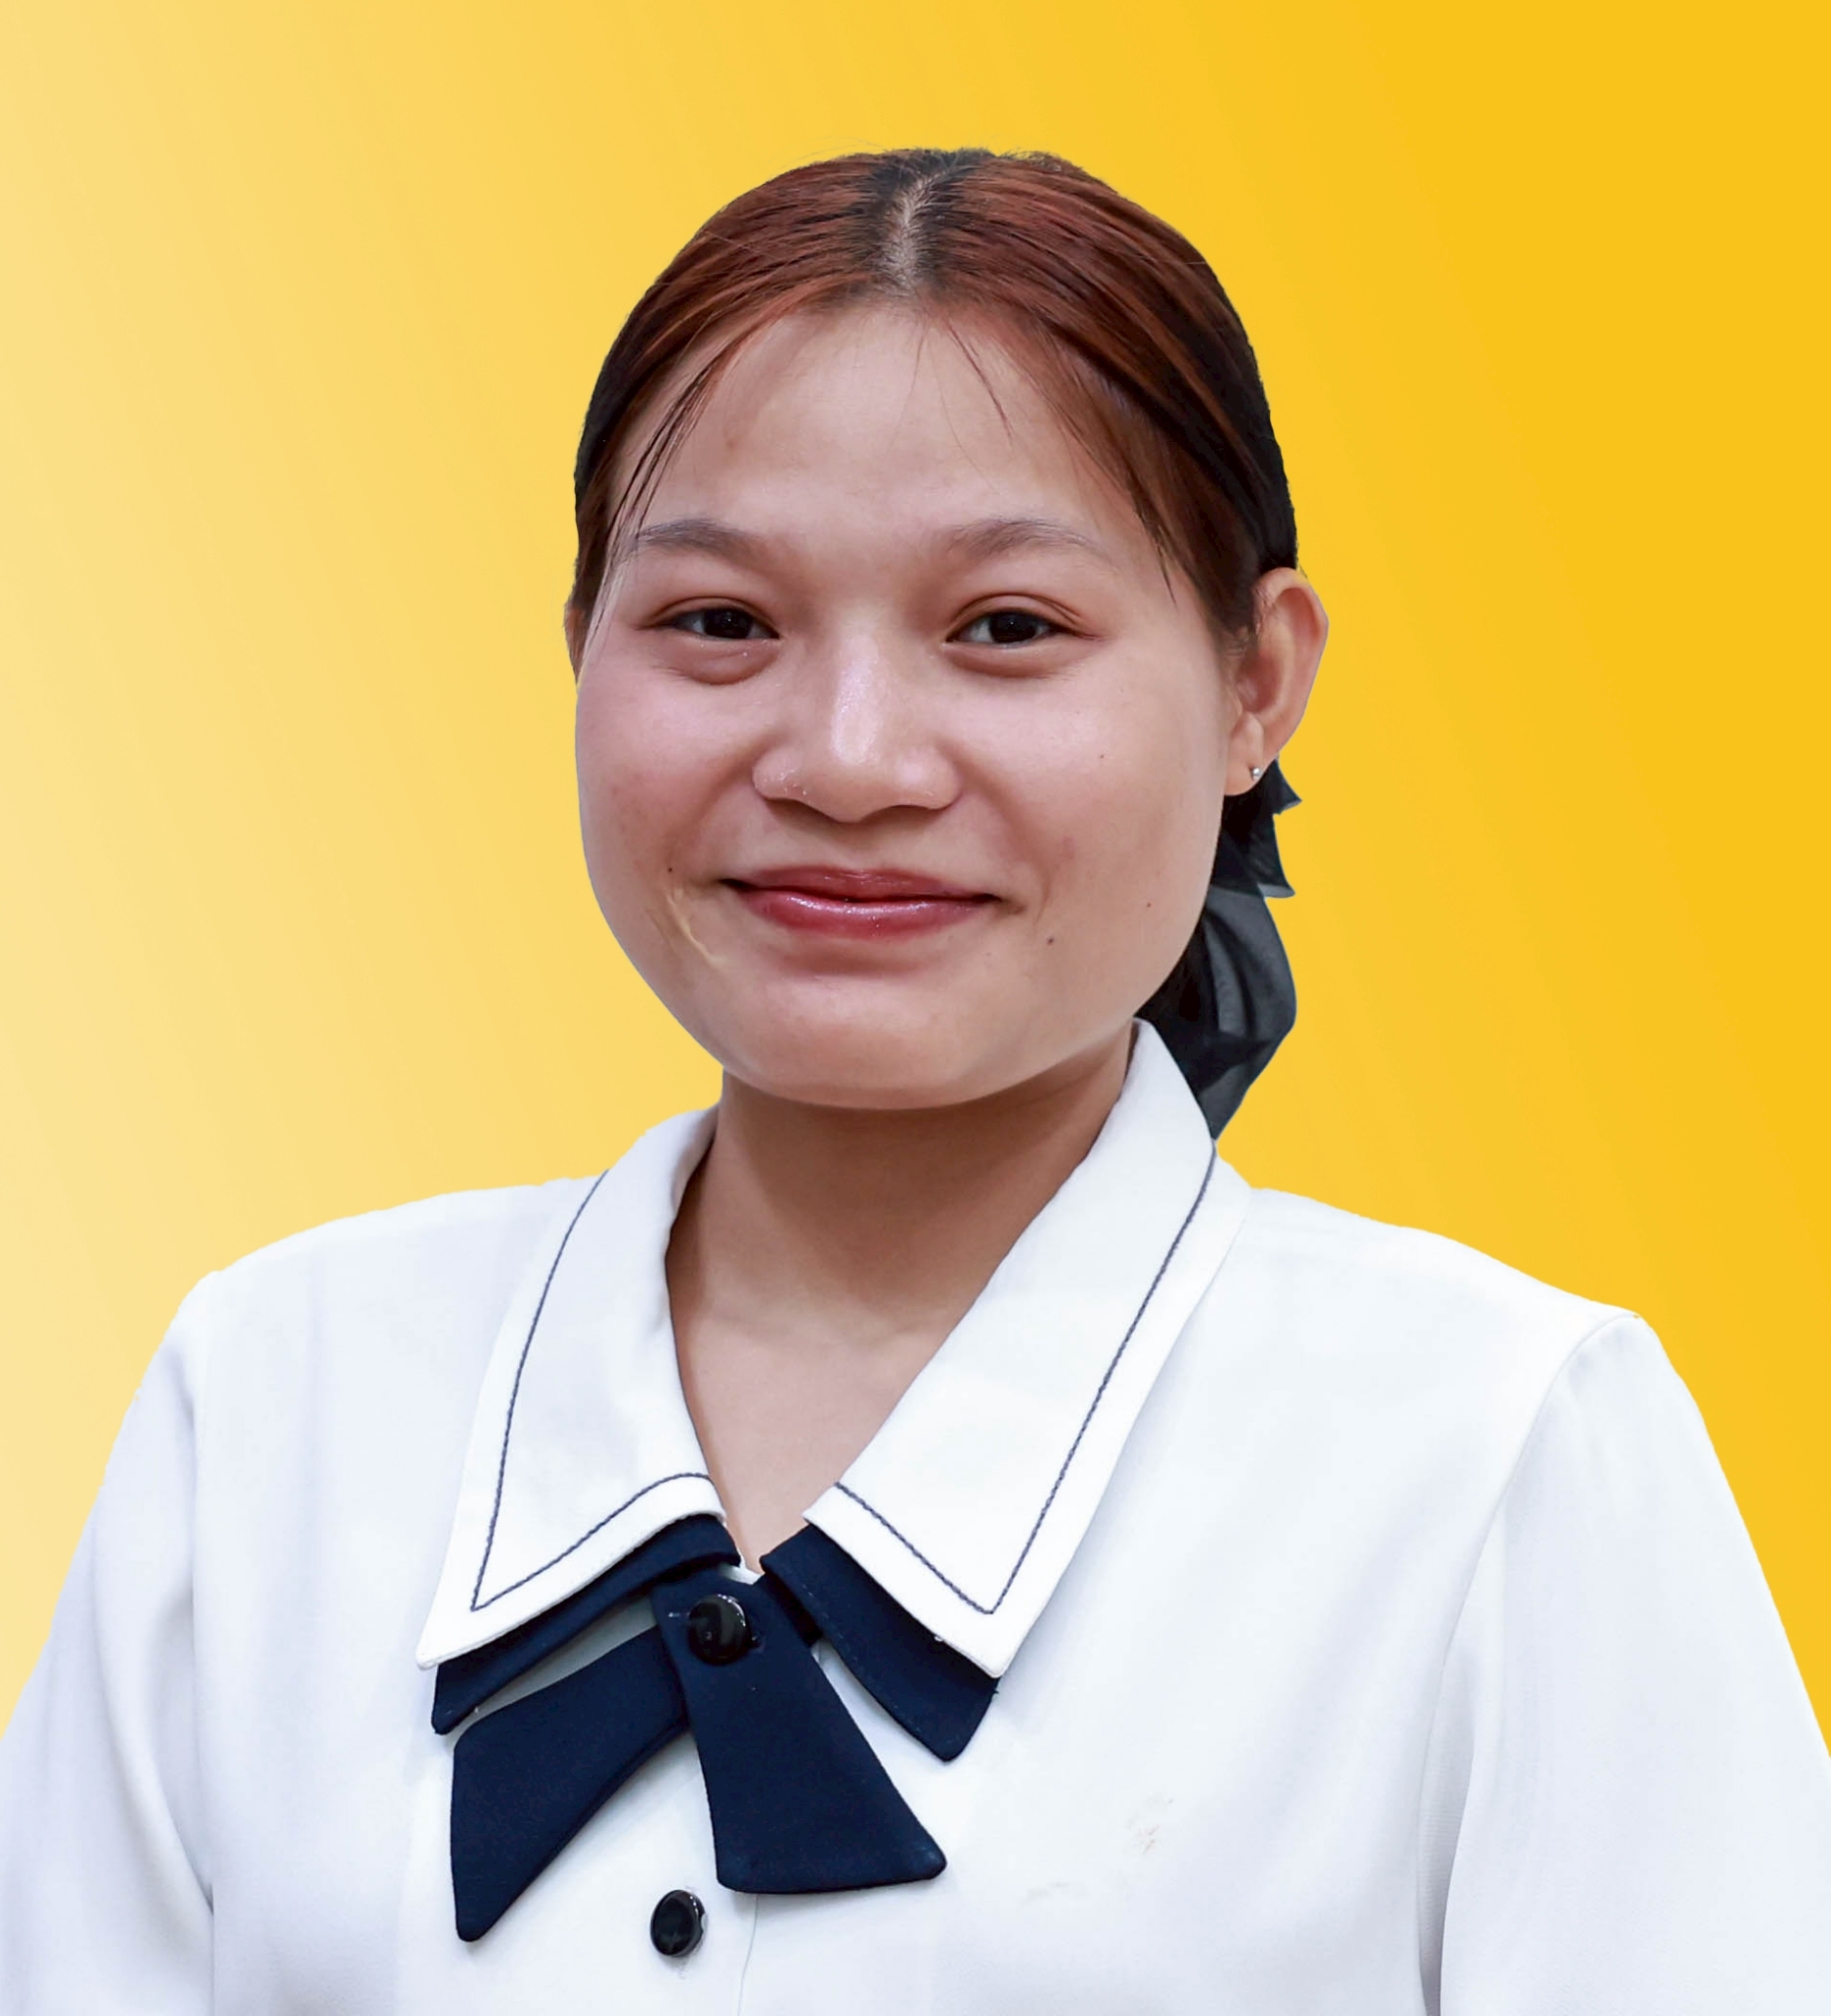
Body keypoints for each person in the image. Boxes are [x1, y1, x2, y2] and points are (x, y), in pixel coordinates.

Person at [1, 147, 1826, 2013]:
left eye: (1006, 629)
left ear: (1257, 685)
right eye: (721, 623)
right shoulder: (273, 1402)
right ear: (579, 654)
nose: (850, 760)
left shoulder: (1502, 1459)